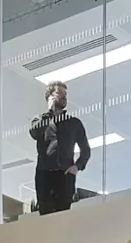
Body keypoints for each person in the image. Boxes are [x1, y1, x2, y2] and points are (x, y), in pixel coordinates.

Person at [29, 80, 91, 215]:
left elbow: (85, 150)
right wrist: (50, 112)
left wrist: (77, 166)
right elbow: (35, 133)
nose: (64, 97)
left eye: (65, 94)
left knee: (63, 215)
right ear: (49, 97)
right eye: (59, 93)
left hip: (65, 175)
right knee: (45, 215)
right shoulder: (39, 120)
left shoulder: (73, 123)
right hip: (44, 175)